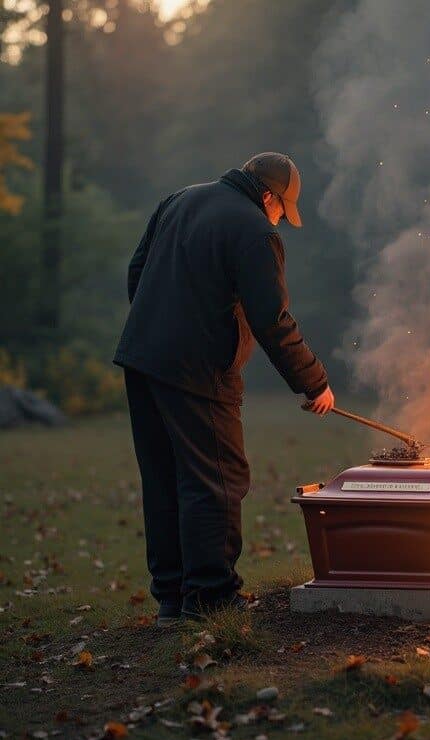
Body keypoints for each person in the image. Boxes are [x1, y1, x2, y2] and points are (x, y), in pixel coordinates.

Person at [113, 152, 334, 627]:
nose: (279, 219)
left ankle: (172, 599)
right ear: (269, 196)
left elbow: (137, 273)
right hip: (198, 371)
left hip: (142, 359)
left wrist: (162, 327)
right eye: (281, 210)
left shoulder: (179, 200)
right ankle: (211, 596)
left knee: (165, 478)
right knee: (216, 479)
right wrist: (314, 381)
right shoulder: (256, 231)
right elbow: (272, 320)